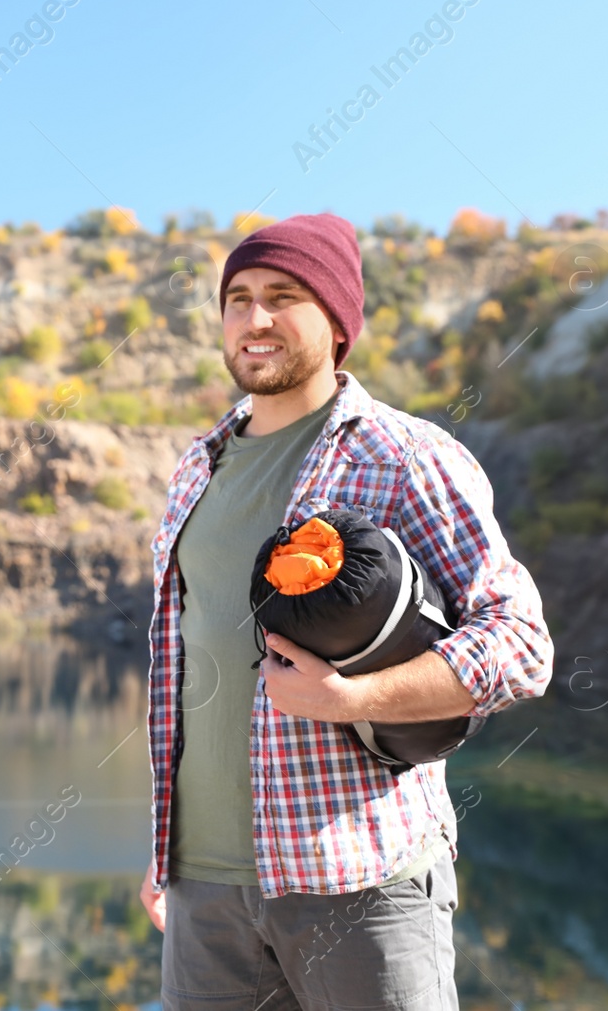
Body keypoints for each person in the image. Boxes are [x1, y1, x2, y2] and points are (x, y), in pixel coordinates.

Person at [138, 213, 554, 1010]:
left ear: (337, 324)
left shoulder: (404, 455)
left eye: (282, 297)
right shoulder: (195, 472)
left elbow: (519, 642)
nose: (254, 319)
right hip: (205, 897)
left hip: (363, 882)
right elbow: (190, 666)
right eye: (238, 298)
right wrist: (162, 848)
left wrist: (351, 700)